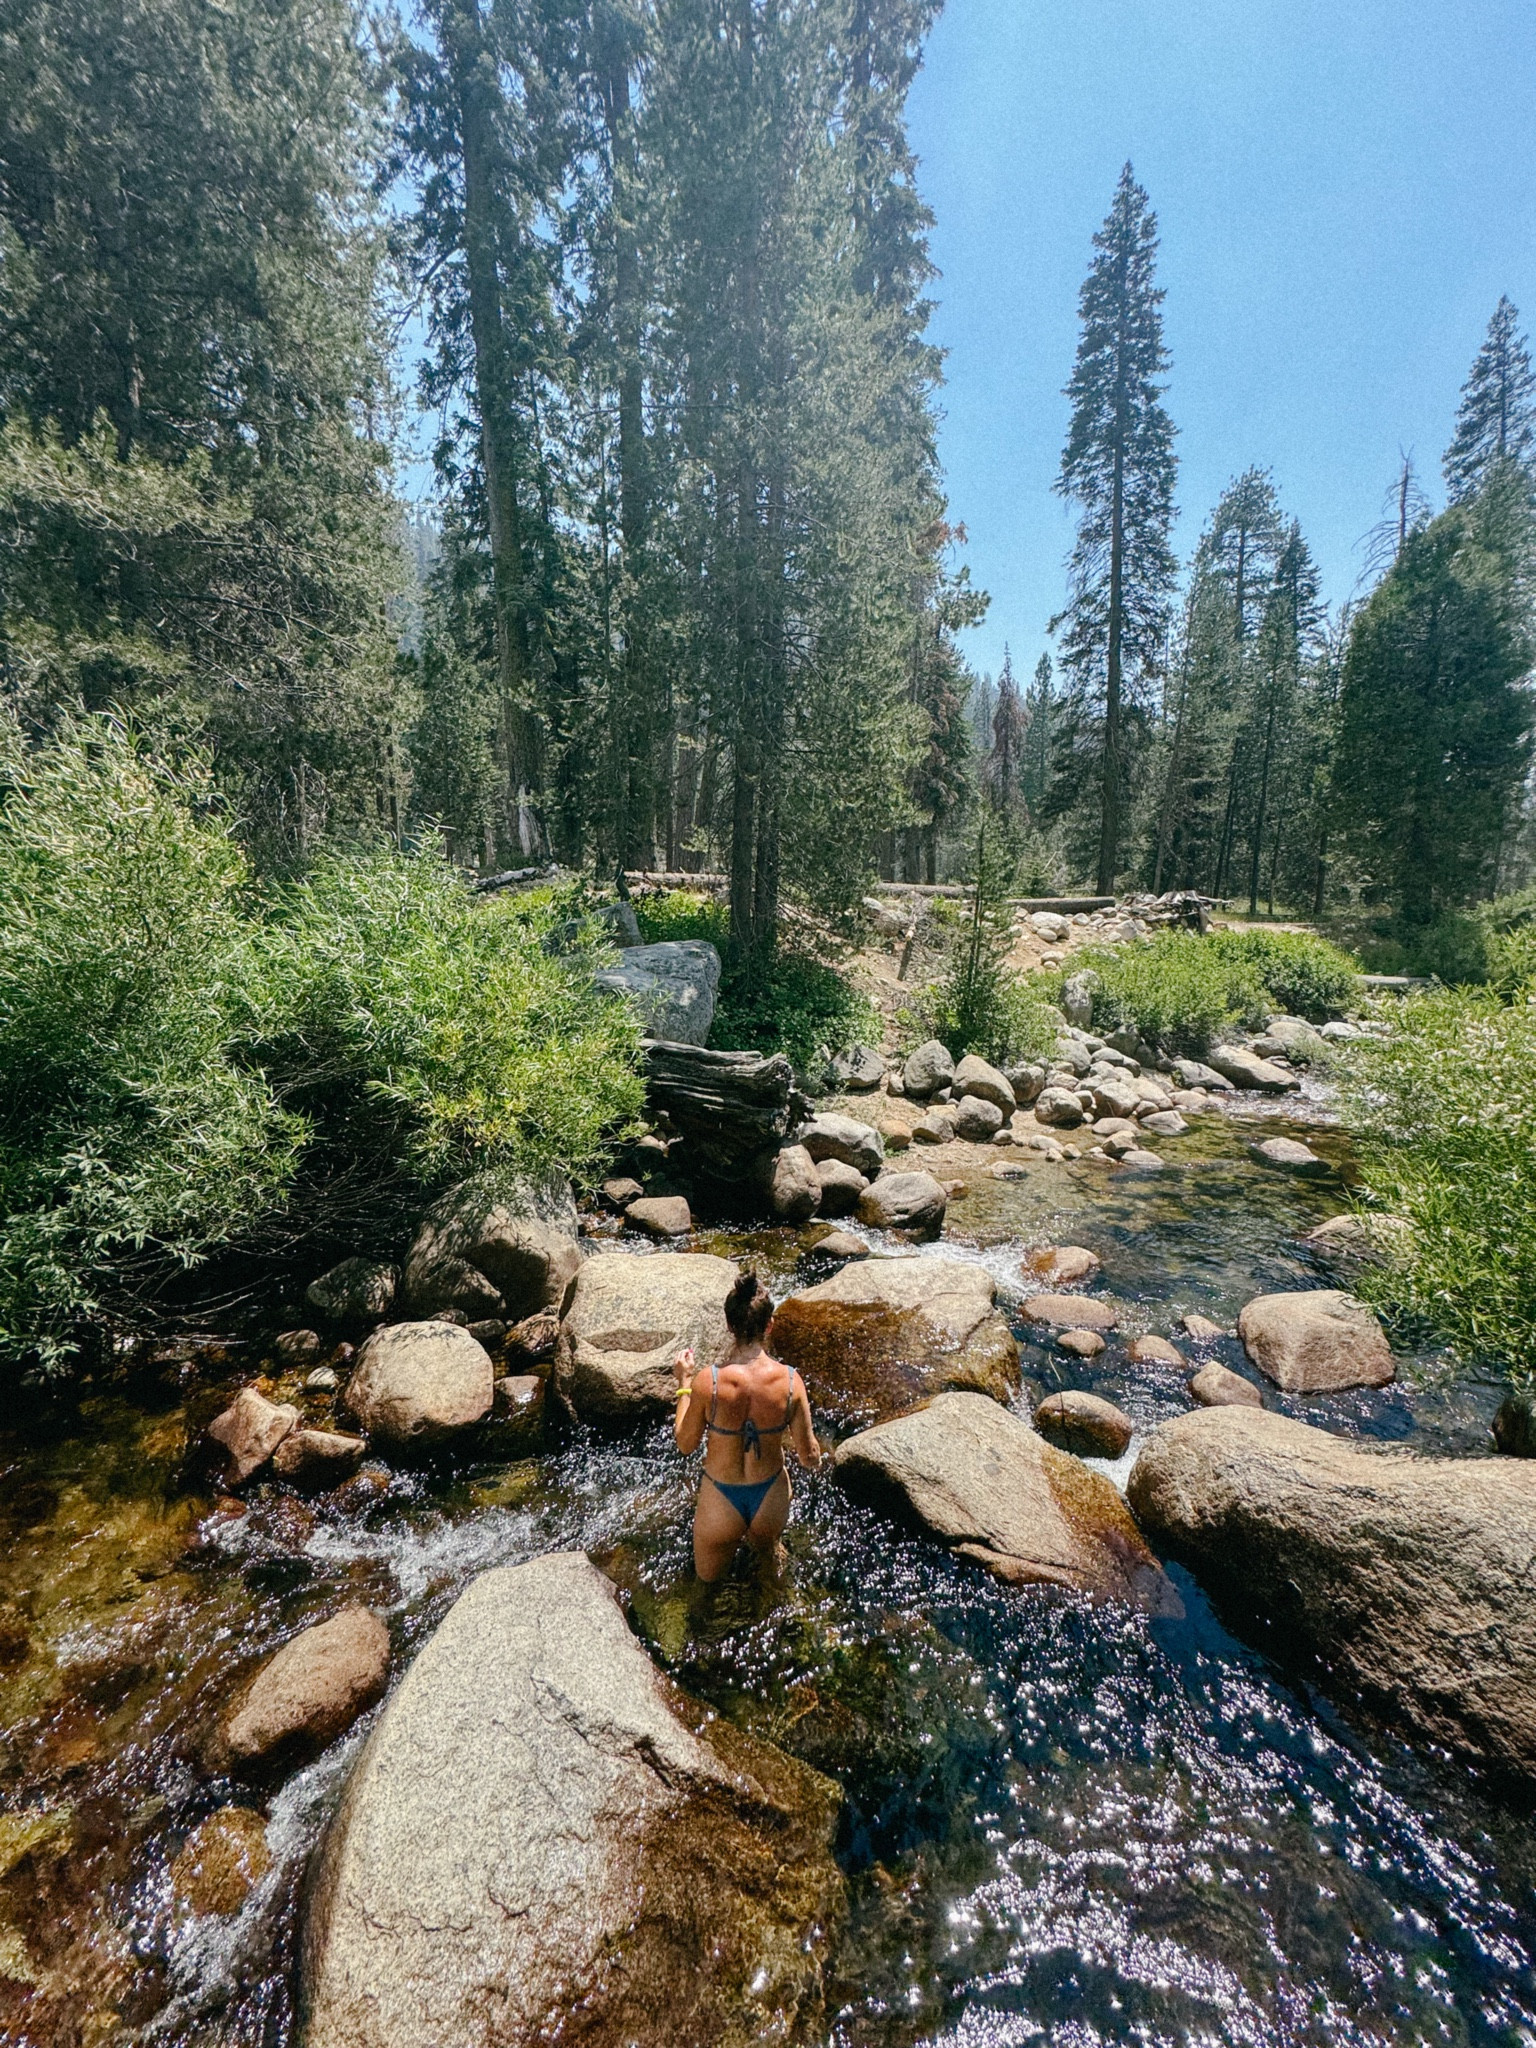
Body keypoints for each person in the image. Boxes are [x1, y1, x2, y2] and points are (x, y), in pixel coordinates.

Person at [673, 1270, 820, 1583]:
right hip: (770, 1498)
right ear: (770, 1325)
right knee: (768, 1574)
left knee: (707, 1588)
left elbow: (685, 1443)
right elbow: (809, 1457)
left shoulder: (708, 1382)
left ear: (729, 1326)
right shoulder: (792, 1382)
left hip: (720, 1500)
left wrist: (684, 1382)